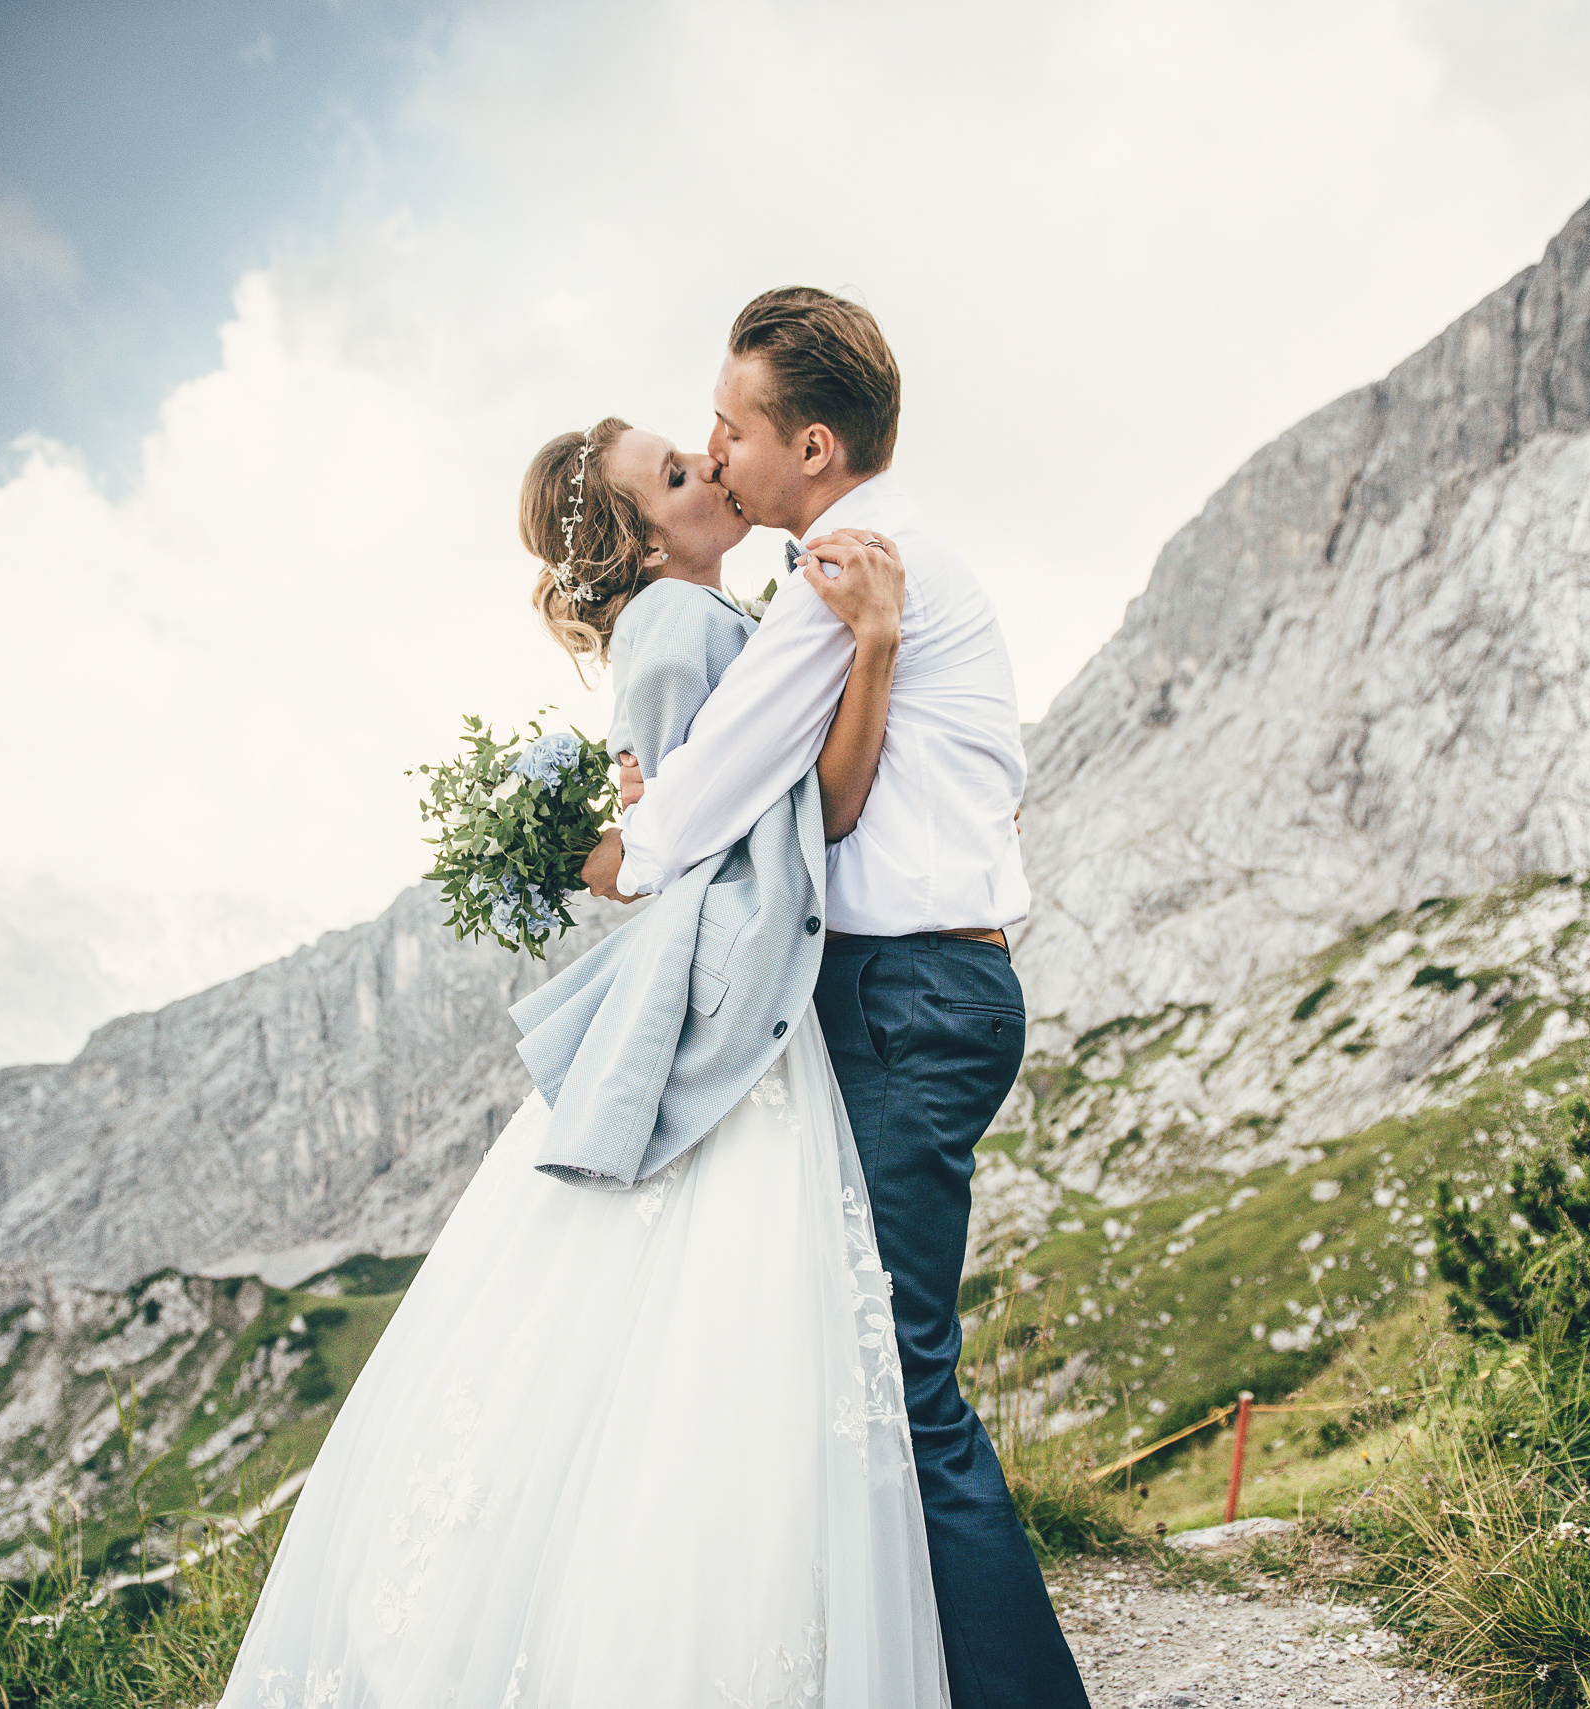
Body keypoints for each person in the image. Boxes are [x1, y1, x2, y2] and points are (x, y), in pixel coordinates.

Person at [216, 414, 950, 1708]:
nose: (709, 471)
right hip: (731, 993)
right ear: (635, 536)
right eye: (676, 476)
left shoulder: (712, 619)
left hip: (745, 973)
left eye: (696, 454)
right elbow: (719, 825)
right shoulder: (682, 629)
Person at [586, 287, 1091, 1709]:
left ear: (810, 447)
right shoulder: (881, 558)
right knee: (869, 1370)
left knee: (905, 1391)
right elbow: (824, 794)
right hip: (926, 989)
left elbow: (699, 804)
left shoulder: (850, 566)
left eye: (730, 429)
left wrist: (612, 834)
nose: (714, 449)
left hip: (906, 997)